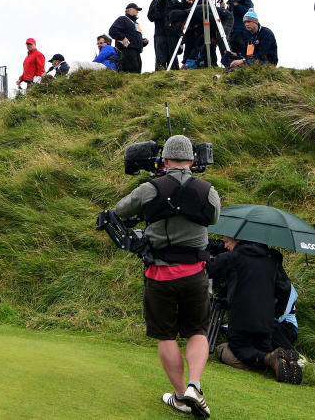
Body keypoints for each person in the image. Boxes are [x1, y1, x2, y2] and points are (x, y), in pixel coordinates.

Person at [112, 135, 220, 417]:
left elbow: (120, 210)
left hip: (159, 275)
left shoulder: (149, 188)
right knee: (197, 331)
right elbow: (214, 218)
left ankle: (181, 394)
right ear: (193, 160)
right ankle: (195, 387)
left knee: (166, 335)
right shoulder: (208, 190)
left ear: (164, 160)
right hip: (196, 274)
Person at [208, 236, 302, 384]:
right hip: (263, 322)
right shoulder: (268, 261)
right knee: (248, 346)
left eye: (227, 242)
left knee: (233, 349)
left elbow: (288, 296)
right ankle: (279, 360)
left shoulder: (250, 264)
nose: (225, 246)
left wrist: (272, 315)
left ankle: (280, 359)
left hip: (283, 325)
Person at [148, 0, 182, 70]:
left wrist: (187, 2)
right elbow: (150, 17)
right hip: (160, 33)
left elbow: (183, 10)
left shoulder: (175, 2)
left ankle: (174, 77)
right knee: (161, 59)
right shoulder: (156, 1)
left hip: (172, 33)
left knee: (173, 58)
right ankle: (160, 79)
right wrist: (163, 13)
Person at [109, 3, 149, 73]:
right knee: (128, 73)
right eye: (136, 9)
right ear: (129, 10)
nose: (137, 11)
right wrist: (122, 38)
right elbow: (112, 31)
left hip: (137, 52)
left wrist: (143, 41)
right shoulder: (122, 19)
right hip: (126, 51)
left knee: (137, 72)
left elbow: (134, 38)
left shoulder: (136, 23)